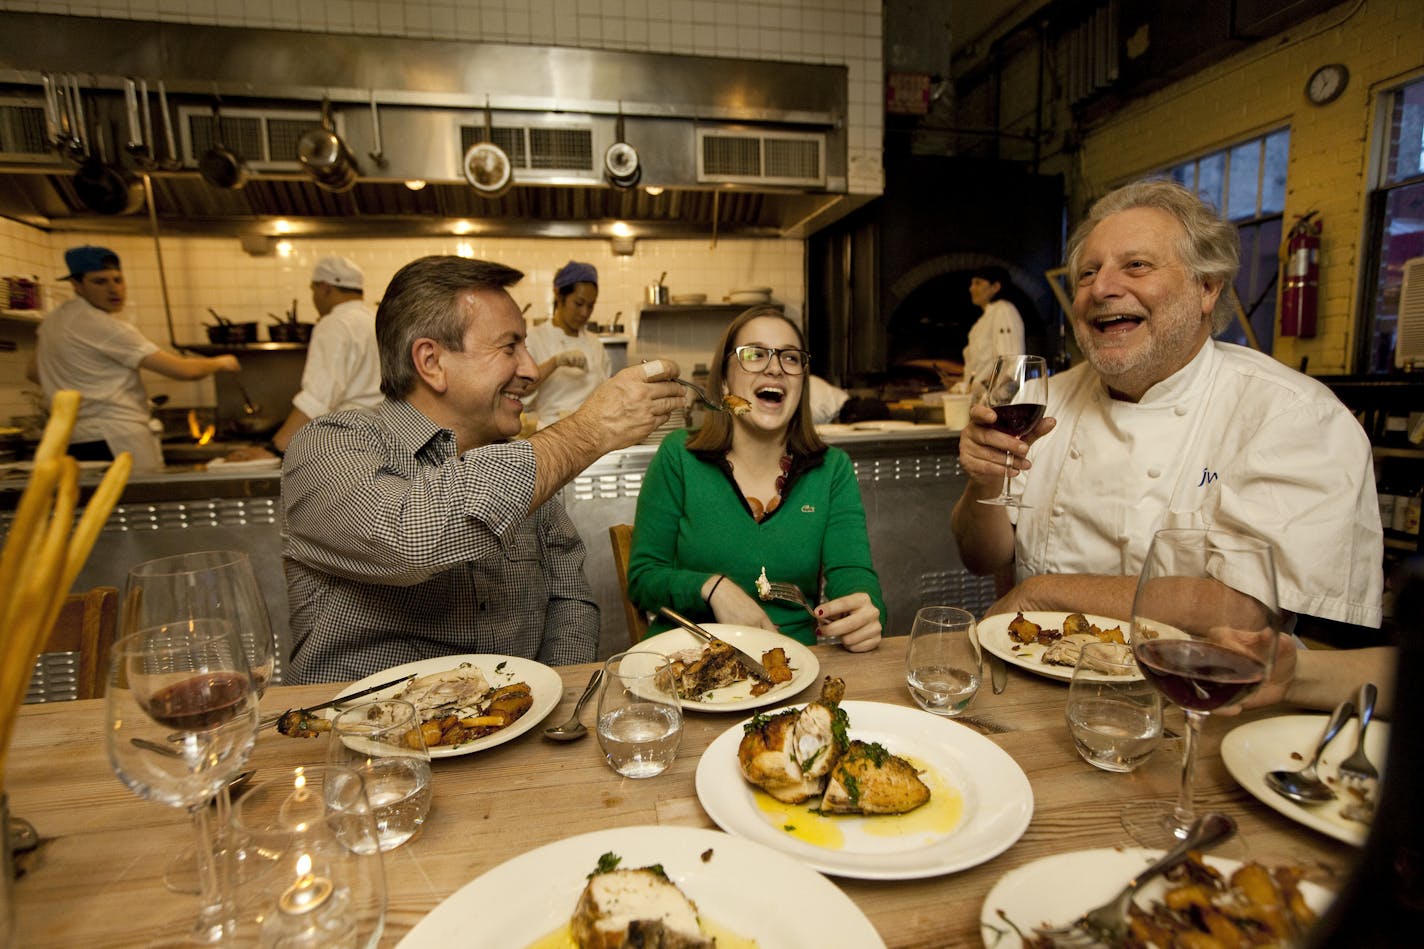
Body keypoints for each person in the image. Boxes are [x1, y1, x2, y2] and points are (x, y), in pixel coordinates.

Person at [952, 178, 1383, 636]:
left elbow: (1243, 612)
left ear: (1207, 288)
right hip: (1037, 673)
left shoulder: (1291, 415)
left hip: (1192, 693)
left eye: (1136, 265)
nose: (1102, 289)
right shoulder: (1044, 402)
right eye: (1087, 273)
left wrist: (1042, 593)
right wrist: (984, 482)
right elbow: (981, 557)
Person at [280, 255, 682, 684]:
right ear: (431, 362)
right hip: (369, 740)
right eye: (510, 348)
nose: (530, 370)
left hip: (518, 731)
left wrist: (551, 699)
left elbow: (570, 599)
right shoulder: (329, 444)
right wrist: (587, 432)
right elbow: (405, 540)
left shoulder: (519, 458)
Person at [627, 305, 885, 650]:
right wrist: (712, 588)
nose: (775, 367)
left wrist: (864, 613)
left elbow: (852, 574)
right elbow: (644, 579)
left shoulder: (832, 469)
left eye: (790, 358)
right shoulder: (679, 456)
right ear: (723, 380)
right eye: (755, 354)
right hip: (687, 659)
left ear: (802, 382)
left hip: (796, 663)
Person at [28, 245, 240, 471]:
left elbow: (33, 372)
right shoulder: (103, 325)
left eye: (118, 280)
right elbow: (184, 371)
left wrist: (83, 385)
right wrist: (221, 361)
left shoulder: (55, 320)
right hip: (114, 438)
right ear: (77, 285)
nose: (113, 290)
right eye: (100, 282)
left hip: (75, 439)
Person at [269, 256, 381, 453]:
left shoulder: (335, 324)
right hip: (380, 440)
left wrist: (276, 448)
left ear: (325, 288)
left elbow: (318, 397)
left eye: (313, 290)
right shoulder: (377, 321)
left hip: (345, 443)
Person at [523, 260, 610, 428]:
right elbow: (522, 389)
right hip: (549, 433)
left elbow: (606, 393)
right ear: (558, 294)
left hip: (593, 431)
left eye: (590, 306)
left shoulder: (595, 344)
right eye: (578, 303)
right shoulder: (534, 338)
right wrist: (556, 362)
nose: (585, 312)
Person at [961, 264, 1026, 393]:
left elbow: (1012, 363)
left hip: (996, 403)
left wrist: (986, 389)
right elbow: (980, 369)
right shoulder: (982, 321)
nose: (971, 288)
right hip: (980, 402)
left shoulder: (1004, 310)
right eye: (971, 284)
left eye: (977, 283)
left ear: (995, 287)